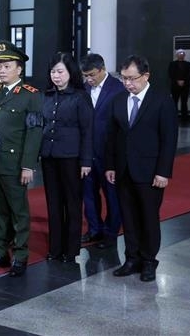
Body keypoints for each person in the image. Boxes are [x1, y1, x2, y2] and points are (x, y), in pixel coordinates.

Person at [106, 55, 178, 282]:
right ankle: (131, 258)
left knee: (148, 217)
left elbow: (169, 139)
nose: (127, 83)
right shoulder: (118, 100)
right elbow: (112, 136)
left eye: (132, 78)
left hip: (150, 171)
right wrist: (110, 165)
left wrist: (163, 171)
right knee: (128, 216)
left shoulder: (161, 100)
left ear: (146, 76)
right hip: (123, 169)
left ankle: (148, 261)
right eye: (123, 78)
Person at [0, 41, 43, 277]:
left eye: (7, 66)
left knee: (18, 212)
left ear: (19, 69)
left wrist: (28, 165)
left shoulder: (30, 95)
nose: (2, 70)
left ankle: (20, 255)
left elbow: (34, 132)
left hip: (15, 163)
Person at [40, 52, 93, 262]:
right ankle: (55, 248)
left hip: (72, 157)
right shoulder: (47, 95)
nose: (56, 76)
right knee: (53, 203)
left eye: (60, 71)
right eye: (53, 72)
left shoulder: (80, 96)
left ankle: (70, 251)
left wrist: (86, 161)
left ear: (71, 73)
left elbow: (88, 130)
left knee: (72, 204)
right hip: (49, 156)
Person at [80, 53, 125, 248]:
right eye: (85, 76)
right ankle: (94, 229)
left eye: (92, 75)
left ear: (102, 69)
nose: (89, 79)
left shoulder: (118, 89)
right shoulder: (83, 89)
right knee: (89, 194)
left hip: (109, 153)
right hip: (87, 152)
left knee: (112, 195)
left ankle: (110, 232)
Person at [168, 49, 190, 120]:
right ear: (176, 55)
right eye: (179, 53)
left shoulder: (188, 64)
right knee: (174, 101)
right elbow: (170, 73)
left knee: (184, 102)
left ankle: (184, 118)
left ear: (184, 55)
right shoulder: (172, 64)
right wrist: (177, 81)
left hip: (185, 86)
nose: (181, 55)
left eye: (182, 54)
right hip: (175, 86)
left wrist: (183, 81)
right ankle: (174, 117)